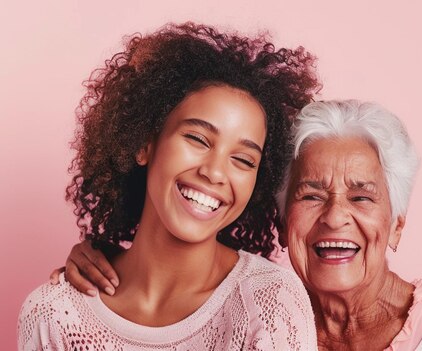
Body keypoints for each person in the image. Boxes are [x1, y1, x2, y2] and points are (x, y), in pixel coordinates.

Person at [55, 100, 422, 350]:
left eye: (362, 196)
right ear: (281, 217)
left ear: (397, 227)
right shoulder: (260, 318)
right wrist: (113, 259)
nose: (334, 216)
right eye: (310, 195)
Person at [19, 22, 320, 350]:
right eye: (197, 138)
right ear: (145, 143)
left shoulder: (270, 305)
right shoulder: (53, 313)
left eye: (244, 160)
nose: (215, 172)